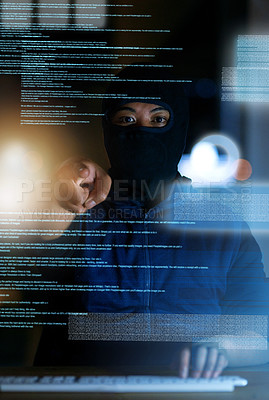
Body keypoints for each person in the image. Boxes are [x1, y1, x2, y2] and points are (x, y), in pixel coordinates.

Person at [34, 65, 269, 377]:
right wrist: (62, 190)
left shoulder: (222, 226)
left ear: (179, 126)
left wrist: (221, 348)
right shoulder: (82, 214)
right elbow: (36, 240)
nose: (141, 131)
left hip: (189, 393)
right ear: (108, 128)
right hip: (83, 391)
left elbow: (259, 330)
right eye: (126, 119)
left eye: (158, 119)